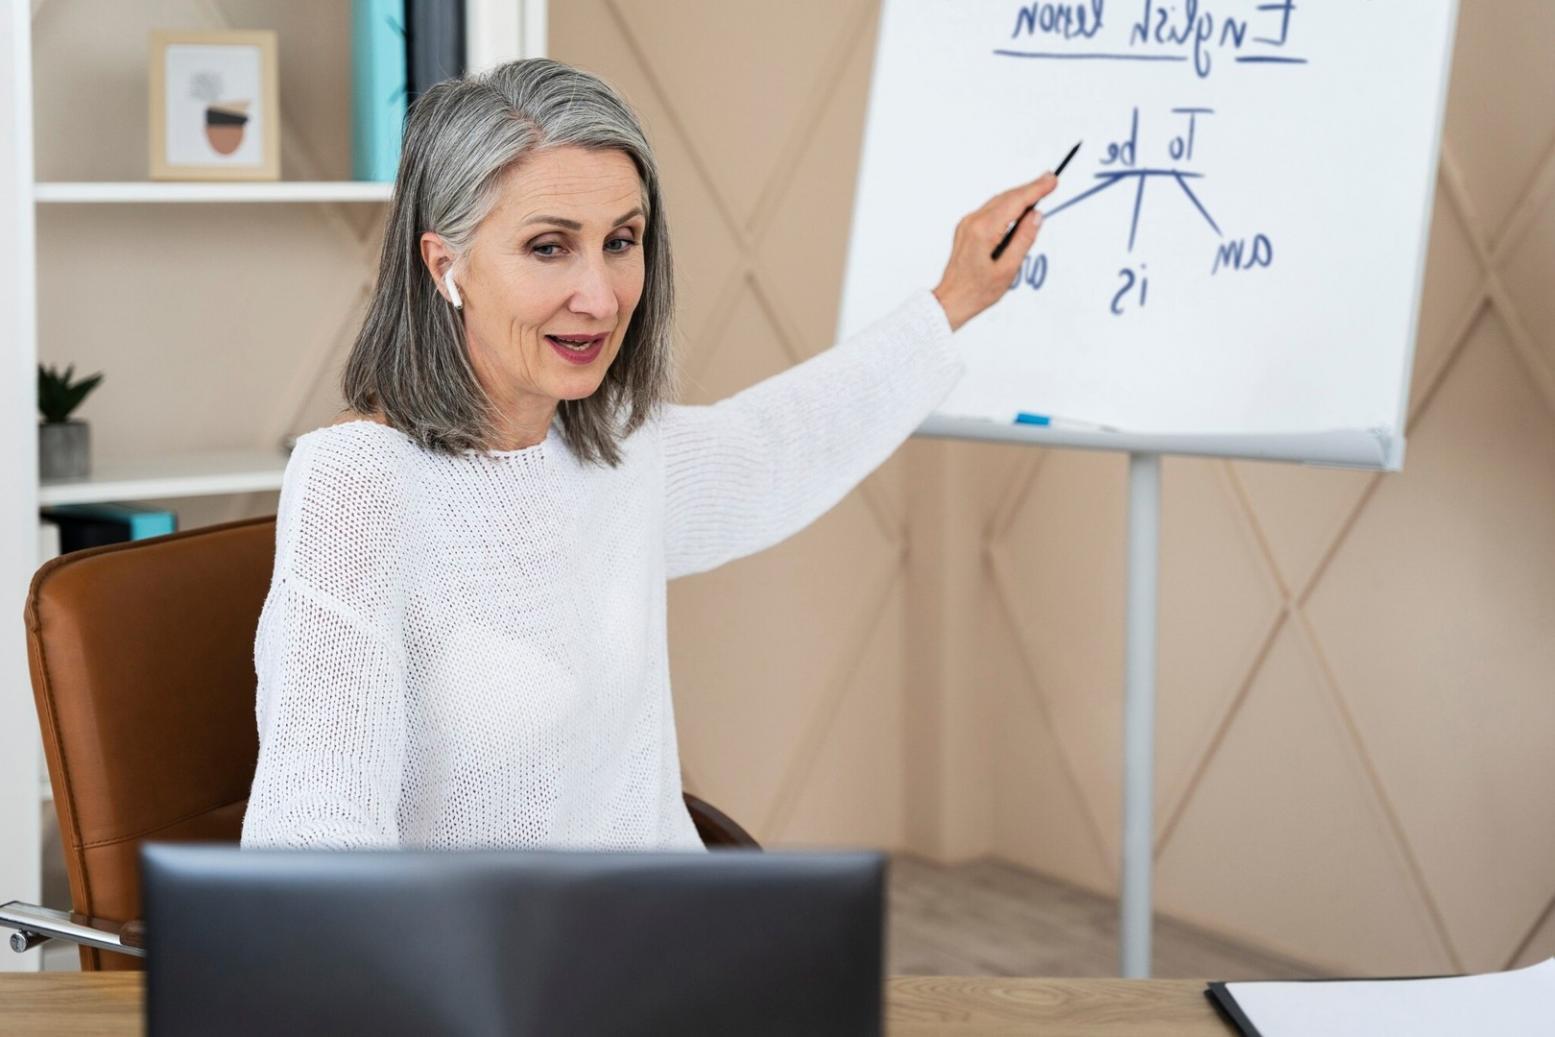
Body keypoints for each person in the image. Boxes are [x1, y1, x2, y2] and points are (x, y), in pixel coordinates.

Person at [239, 58, 1057, 851]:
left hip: (664, 944)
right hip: (487, 977)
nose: (600, 297)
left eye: (621, 240)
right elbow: (314, 840)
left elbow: (780, 445)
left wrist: (952, 302)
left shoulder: (612, 447)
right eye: (549, 247)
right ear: (444, 265)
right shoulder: (358, 487)